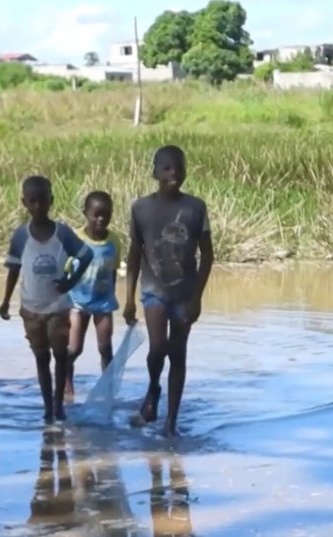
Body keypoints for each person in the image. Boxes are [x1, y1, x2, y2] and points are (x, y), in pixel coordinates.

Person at [123, 145, 214, 437]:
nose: (173, 172)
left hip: (185, 293)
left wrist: (198, 298)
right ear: (155, 173)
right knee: (157, 348)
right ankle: (153, 389)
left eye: (179, 167)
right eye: (166, 168)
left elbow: (208, 256)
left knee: (178, 355)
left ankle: (170, 422)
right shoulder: (141, 208)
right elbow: (135, 254)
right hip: (154, 291)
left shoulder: (195, 208)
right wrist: (128, 300)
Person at [0, 175, 93, 423]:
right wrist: (6, 301)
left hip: (58, 308)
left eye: (42, 201)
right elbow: (14, 270)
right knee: (41, 358)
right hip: (31, 309)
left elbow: (86, 255)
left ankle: (58, 404)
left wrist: (70, 282)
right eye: (32, 201)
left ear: (51, 200)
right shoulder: (21, 236)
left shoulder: (62, 233)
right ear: (24, 203)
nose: (38, 206)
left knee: (60, 356)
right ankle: (48, 407)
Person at [66, 190, 125, 398]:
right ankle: (67, 387)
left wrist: (112, 297)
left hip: (103, 302)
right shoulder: (74, 239)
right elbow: (65, 271)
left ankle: (107, 390)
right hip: (76, 302)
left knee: (105, 348)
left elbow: (113, 272)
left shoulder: (114, 242)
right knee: (73, 349)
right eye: (96, 214)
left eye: (106, 215)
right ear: (85, 213)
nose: (101, 219)